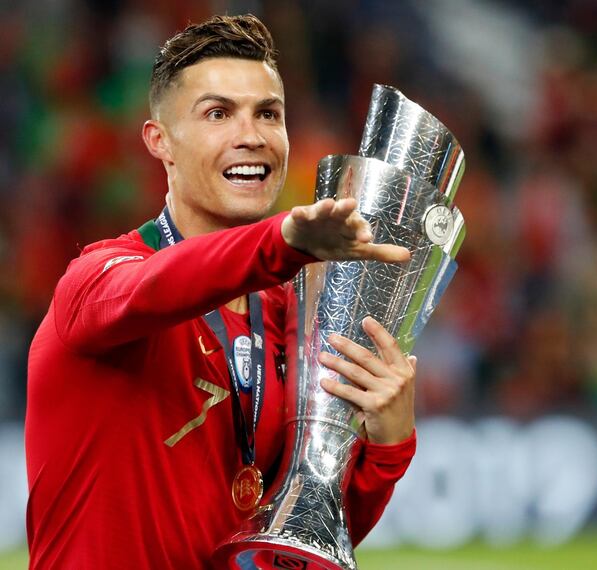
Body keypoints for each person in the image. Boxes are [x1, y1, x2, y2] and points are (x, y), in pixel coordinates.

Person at [25, 14, 418, 569]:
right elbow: (157, 287)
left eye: (268, 114)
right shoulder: (96, 282)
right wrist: (281, 240)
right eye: (217, 113)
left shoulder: (291, 314)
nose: (251, 135)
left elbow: (300, 537)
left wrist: (388, 443)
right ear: (160, 141)